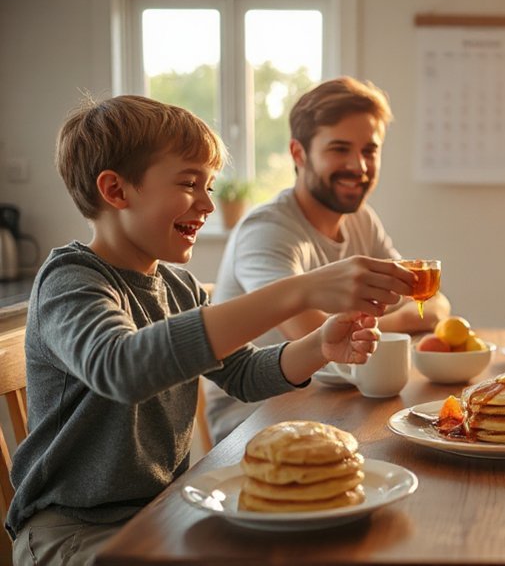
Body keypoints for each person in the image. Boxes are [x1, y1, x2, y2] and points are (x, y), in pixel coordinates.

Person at [6, 94, 415, 564]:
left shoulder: (178, 286)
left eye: (210, 186)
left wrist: (318, 345)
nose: (206, 203)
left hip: (159, 512)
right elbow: (120, 366)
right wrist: (297, 290)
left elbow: (242, 373)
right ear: (116, 191)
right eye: (188, 183)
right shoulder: (71, 280)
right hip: (75, 531)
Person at [204, 76, 451, 444]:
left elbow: (433, 304)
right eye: (339, 149)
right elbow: (317, 338)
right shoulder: (266, 229)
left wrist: (374, 322)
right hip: (258, 421)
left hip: (341, 402)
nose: (359, 166)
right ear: (298, 153)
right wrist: (394, 320)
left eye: (370, 150)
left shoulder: (361, 219)